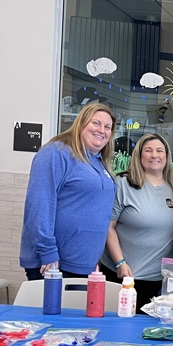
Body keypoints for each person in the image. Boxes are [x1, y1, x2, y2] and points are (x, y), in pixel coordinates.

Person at [19, 102, 116, 279]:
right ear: (81, 123)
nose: (102, 130)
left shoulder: (100, 162)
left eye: (107, 127)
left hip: (83, 264)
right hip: (54, 262)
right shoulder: (56, 153)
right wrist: (47, 251)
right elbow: (39, 204)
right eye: (96, 123)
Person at [100, 133, 173, 311]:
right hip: (121, 276)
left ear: (167, 157)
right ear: (139, 155)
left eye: (160, 151)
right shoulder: (123, 184)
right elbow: (108, 227)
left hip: (157, 281)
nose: (154, 155)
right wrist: (120, 263)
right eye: (148, 150)